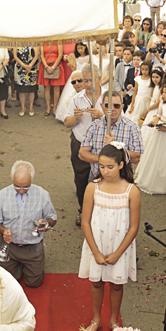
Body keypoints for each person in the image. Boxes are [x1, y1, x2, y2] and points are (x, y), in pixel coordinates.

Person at [79, 143, 140, 331]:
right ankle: (96, 319)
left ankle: (114, 320)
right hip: (96, 243)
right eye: (101, 166)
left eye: (110, 167)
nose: (105, 171)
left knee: (116, 284)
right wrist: (96, 252)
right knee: (96, 282)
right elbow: (85, 222)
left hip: (119, 246)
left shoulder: (132, 191)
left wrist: (118, 253)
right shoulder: (93, 188)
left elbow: (133, 228)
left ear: (121, 164)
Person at [0, 161, 57, 288]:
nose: (21, 191)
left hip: (33, 247)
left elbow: (52, 218)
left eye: (26, 187)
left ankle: (30, 265)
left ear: (32, 179)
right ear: (11, 176)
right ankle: (18, 266)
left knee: (33, 283)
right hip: (9, 247)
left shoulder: (42, 195)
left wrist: (46, 223)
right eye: (17, 186)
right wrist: (3, 230)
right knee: (9, 283)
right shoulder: (1, 195)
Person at [64, 65, 103, 224]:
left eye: (91, 80)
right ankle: (83, 210)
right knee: (81, 180)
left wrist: (102, 116)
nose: (87, 84)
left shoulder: (109, 96)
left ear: (99, 79)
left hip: (102, 145)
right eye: (85, 80)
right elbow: (67, 123)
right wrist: (76, 118)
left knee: (103, 180)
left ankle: (102, 211)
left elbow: (121, 120)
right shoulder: (76, 98)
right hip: (80, 143)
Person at [80, 91, 143, 180]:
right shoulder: (94, 126)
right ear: (102, 107)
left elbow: (136, 158)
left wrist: (117, 145)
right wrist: (103, 160)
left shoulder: (132, 128)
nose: (112, 109)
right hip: (97, 177)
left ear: (122, 107)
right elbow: (82, 154)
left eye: (116, 105)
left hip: (122, 179)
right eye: (108, 105)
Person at [135, 83, 166, 194]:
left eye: (165, 93)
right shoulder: (162, 104)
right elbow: (159, 115)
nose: (162, 95)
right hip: (159, 133)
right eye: (162, 92)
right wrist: (154, 121)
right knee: (157, 155)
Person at [13, 45, 39, 116]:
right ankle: (23, 107)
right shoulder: (17, 42)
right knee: (21, 90)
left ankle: (31, 107)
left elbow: (36, 55)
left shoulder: (33, 42)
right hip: (20, 68)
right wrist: (23, 65)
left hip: (32, 68)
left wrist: (30, 65)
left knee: (31, 89)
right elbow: (15, 56)